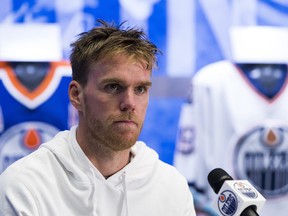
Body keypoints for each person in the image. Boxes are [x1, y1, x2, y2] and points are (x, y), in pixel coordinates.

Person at [0, 20, 196, 216]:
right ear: (77, 95)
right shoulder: (24, 187)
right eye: (113, 86)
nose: (129, 103)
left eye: (140, 89)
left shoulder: (172, 188)